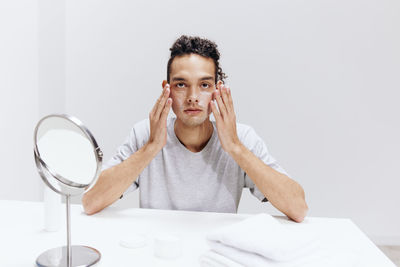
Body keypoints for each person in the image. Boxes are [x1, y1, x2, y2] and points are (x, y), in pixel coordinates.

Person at [82, 35, 308, 222]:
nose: (192, 97)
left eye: (204, 85)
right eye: (181, 84)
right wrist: (151, 148)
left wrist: (236, 148)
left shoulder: (241, 138)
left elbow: (298, 208)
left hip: (216, 252)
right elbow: (91, 201)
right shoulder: (145, 134)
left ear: (218, 90)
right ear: (167, 89)